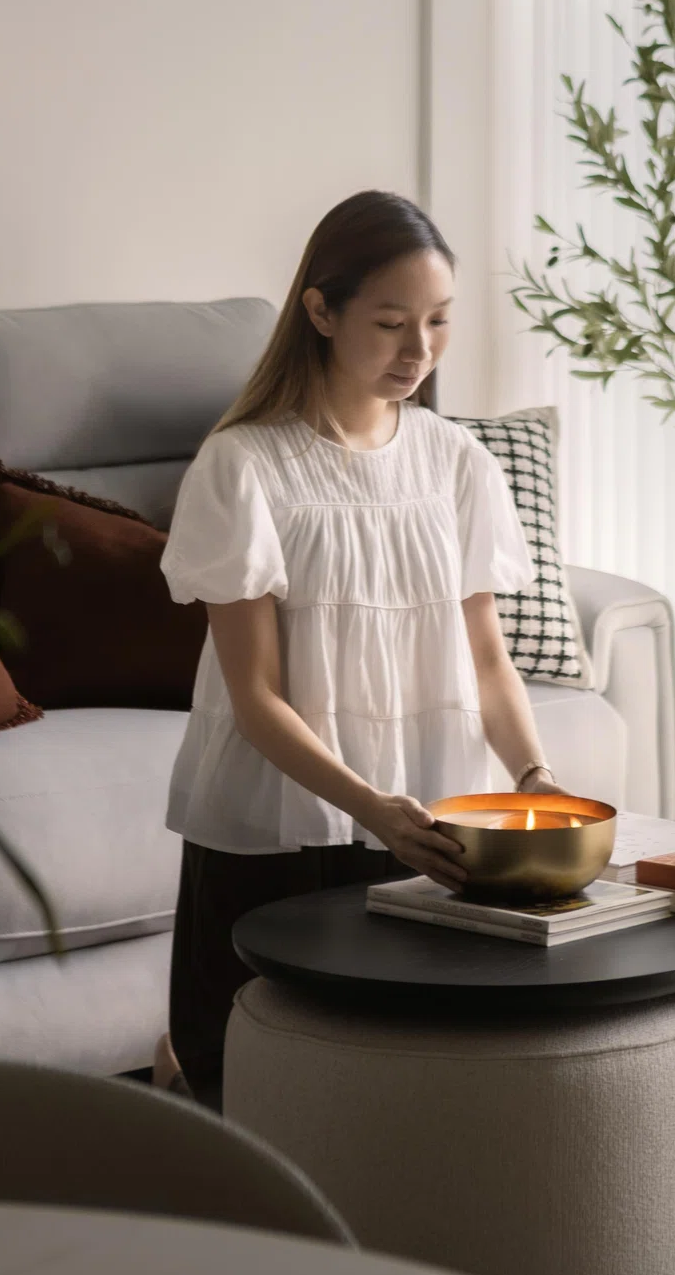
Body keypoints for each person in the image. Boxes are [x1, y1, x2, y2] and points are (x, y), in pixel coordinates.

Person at [157, 189, 558, 1104]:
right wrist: (374, 808)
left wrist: (533, 777)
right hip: (283, 821)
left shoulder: (457, 461)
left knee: (399, 1084)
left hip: (423, 818)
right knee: (248, 1084)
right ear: (322, 311)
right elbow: (253, 697)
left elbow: (487, 658)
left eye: (439, 323)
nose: (419, 352)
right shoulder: (244, 467)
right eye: (390, 324)